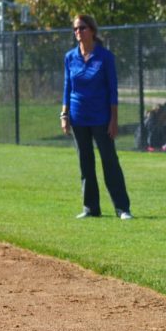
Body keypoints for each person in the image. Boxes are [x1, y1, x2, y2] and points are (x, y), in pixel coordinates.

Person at [61, 14, 132, 220]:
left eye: (82, 28)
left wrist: (114, 120)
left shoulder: (105, 57)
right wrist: (64, 114)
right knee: (85, 163)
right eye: (75, 29)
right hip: (78, 117)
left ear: (92, 30)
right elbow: (67, 87)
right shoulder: (70, 57)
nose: (78, 32)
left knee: (110, 162)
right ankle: (91, 208)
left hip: (101, 118)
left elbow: (113, 91)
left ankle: (122, 208)